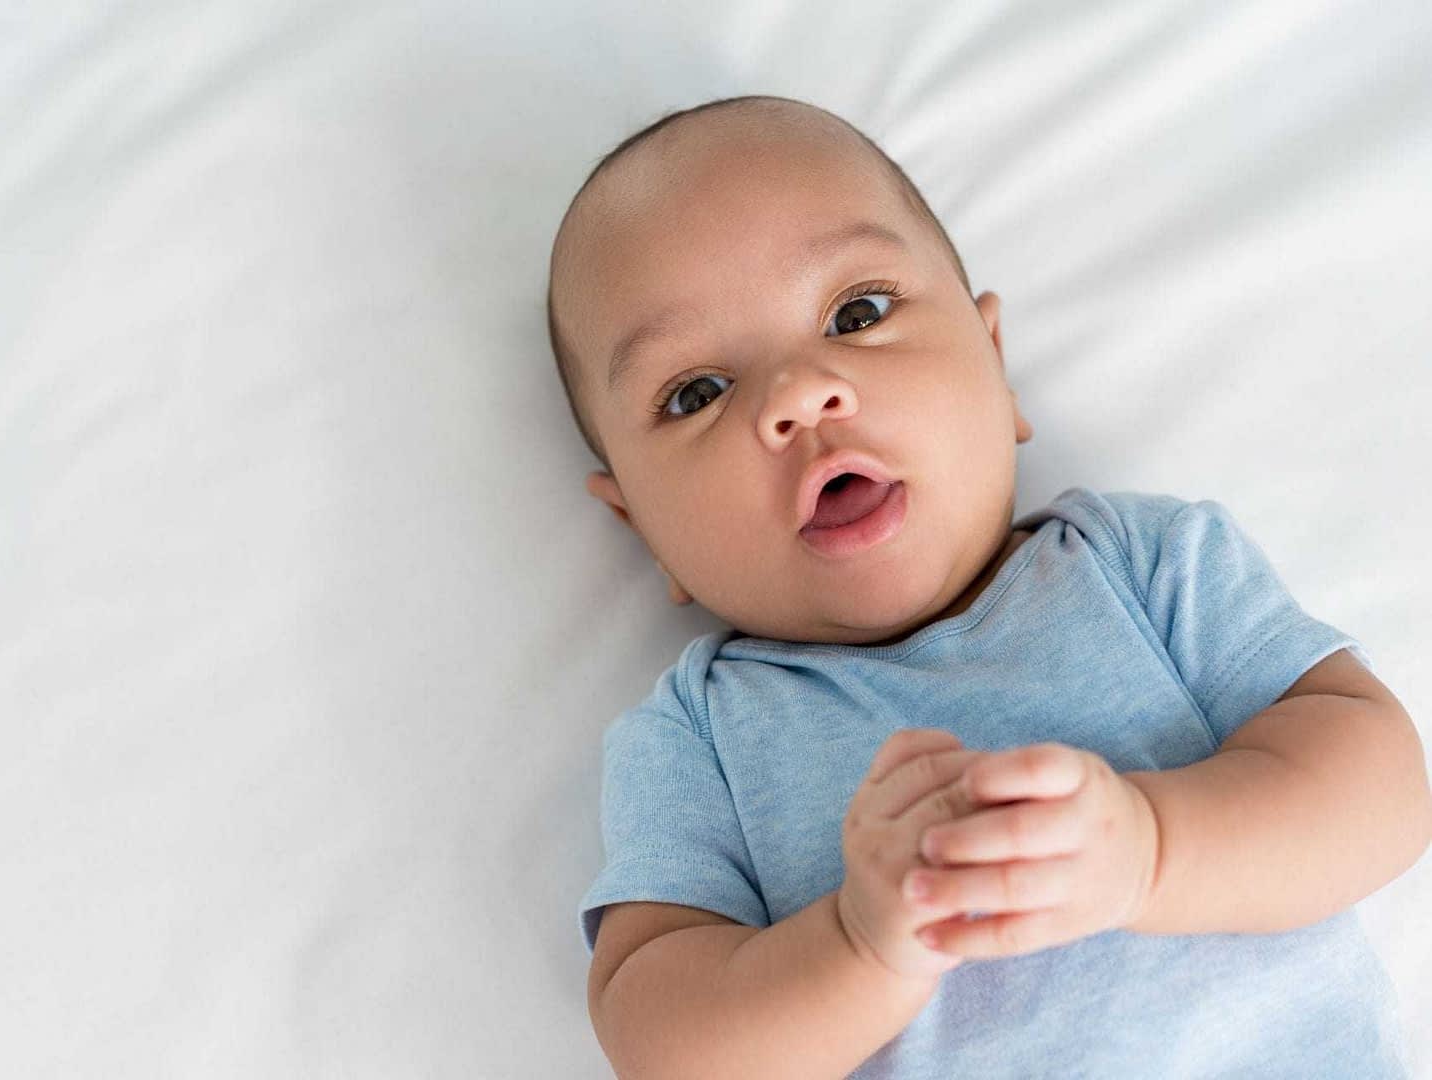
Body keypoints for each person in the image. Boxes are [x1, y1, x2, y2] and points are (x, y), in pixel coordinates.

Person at [548, 95, 1431, 1078]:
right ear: (641, 527)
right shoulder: (697, 737)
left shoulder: (1146, 565)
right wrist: (857, 946)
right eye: (696, 393)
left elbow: (1383, 791)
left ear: (995, 366)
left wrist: (1151, 852)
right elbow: (661, 1039)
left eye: (857, 314)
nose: (798, 396)